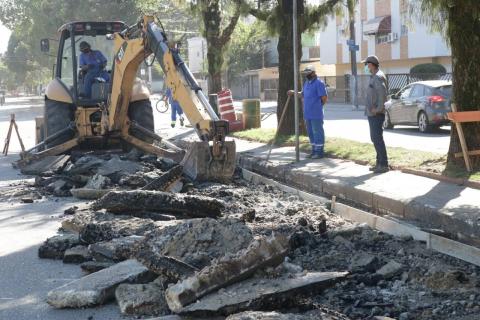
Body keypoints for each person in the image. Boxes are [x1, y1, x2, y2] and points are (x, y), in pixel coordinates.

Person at [288, 65, 328, 159]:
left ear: (313, 73)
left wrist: (318, 106)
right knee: (310, 132)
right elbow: (302, 94)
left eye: (308, 73)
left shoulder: (319, 83)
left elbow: (324, 98)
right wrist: (293, 92)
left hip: (316, 113)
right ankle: (314, 151)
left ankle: (319, 152)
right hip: (307, 113)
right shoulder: (307, 83)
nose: (306, 75)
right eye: (305, 73)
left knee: (317, 132)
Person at [363, 55, 389, 173]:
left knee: (377, 138)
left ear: (372, 64)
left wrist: (378, 109)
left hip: (376, 114)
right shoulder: (374, 76)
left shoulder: (378, 77)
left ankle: (383, 164)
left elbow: (382, 95)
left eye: (367, 64)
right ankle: (379, 163)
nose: (366, 66)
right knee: (375, 138)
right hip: (372, 113)